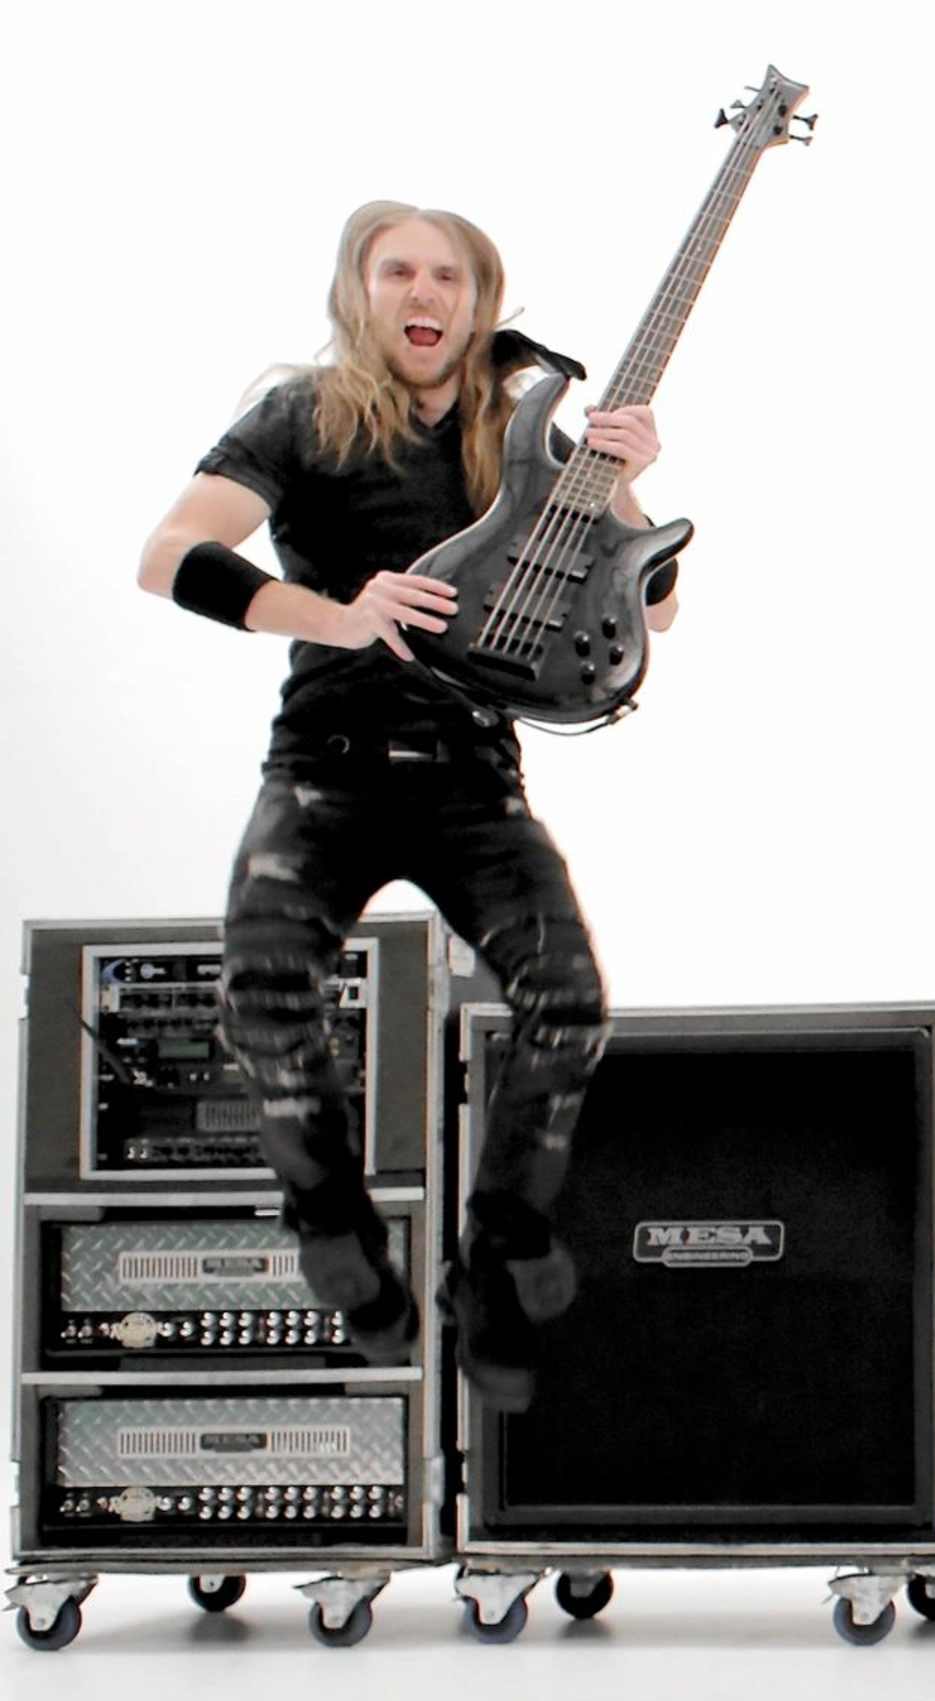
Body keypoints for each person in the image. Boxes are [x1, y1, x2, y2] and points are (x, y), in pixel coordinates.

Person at [137, 201, 670, 1408]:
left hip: (473, 778)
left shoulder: (527, 437)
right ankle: (333, 1224)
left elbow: (658, 610)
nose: (424, 295)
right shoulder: (301, 417)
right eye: (398, 273)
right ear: (360, 292)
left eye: (450, 277)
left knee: (570, 1002)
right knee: (264, 991)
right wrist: (341, 614)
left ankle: (500, 1250)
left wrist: (627, 485)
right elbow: (169, 554)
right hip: (322, 765)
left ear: (479, 304)